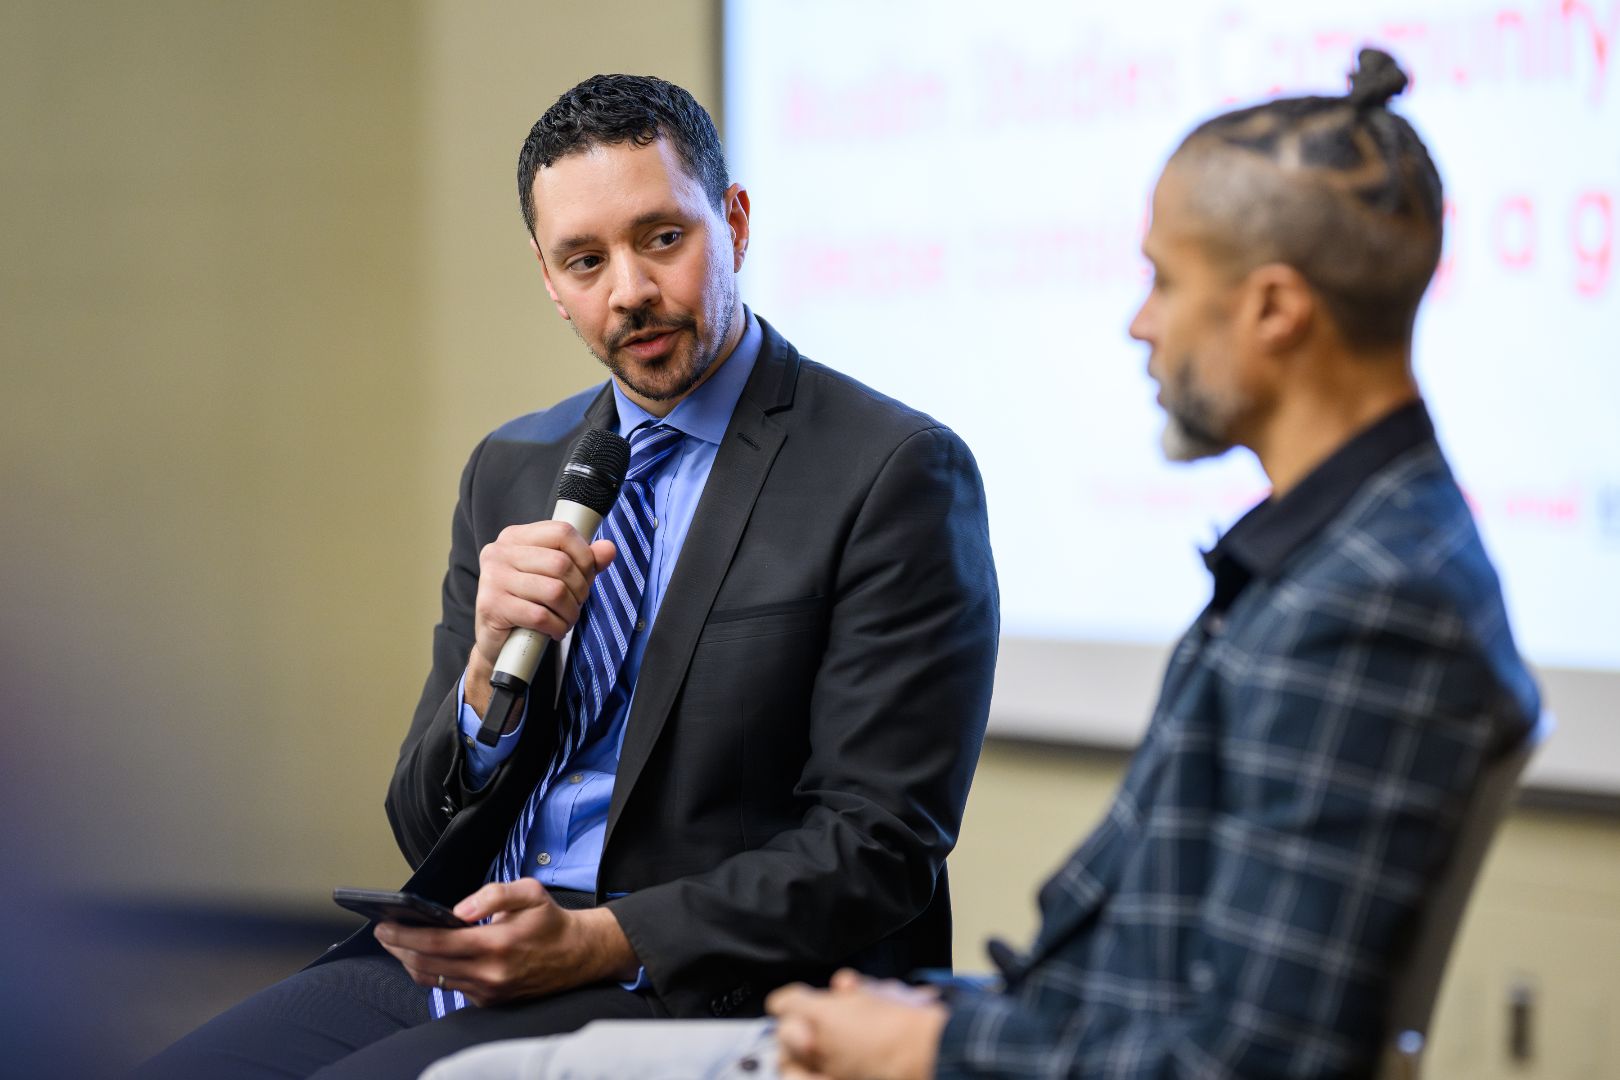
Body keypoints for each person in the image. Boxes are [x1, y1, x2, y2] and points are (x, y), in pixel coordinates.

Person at [420, 49, 1541, 1080]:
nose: (1139, 326)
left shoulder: (1370, 601)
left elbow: (1249, 1058)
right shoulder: (1340, 554)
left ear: (1275, 310)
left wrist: (933, 1045)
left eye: (1163, 281)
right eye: (583, 258)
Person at [136, 74, 998, 1078]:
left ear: (736, 220)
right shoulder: (515, 465)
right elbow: (424, 824)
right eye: (584, 261)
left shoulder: (890, 469)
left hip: (688, 980)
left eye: (662, 239)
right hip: (473, 951)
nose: (628, 289)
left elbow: (878, 845)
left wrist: (599, 939)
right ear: (549, 280)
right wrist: (481, 688)